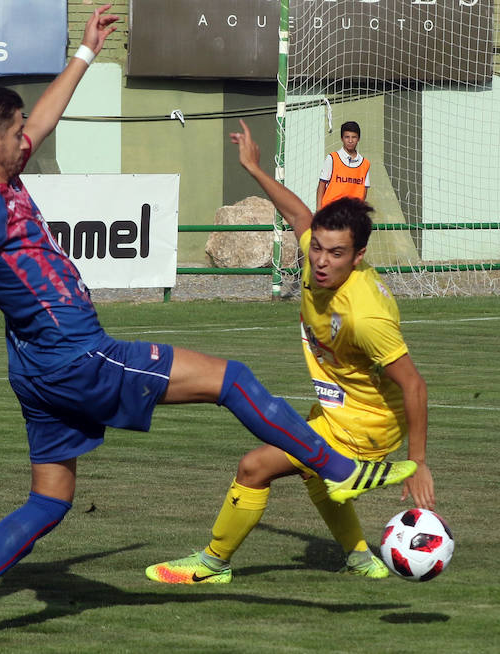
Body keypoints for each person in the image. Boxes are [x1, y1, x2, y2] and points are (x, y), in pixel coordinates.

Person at [0, 8, 416, 646]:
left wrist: (84, 54)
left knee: (51, 500)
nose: (29, 133)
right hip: (78, 357)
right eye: (17, 128)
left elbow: (46, 119)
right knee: (232, 380)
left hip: (33, 370)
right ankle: (333, 465)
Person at [146, 120, 433, 585]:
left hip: (369, 425)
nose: (321, 260)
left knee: (254, 467)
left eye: (336, 254)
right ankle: (361, 559)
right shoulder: (315, 253)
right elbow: (301, 214)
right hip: (337, 407)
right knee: (312, 475)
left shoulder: (365, 314)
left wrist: (417, 463)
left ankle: (211, 564)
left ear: (358, 257)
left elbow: (414, 384)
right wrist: (254, 169)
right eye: (317, 249)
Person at [316, 120, 370, 211]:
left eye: (354, 137)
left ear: (358, 139)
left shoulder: (365, 163)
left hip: (352, 215)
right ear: (342, 138)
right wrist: (318, 210)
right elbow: (322, 184)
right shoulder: (332, 158)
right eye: (347, 137)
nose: (350, 140)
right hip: (331, 212)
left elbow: (364, 191)